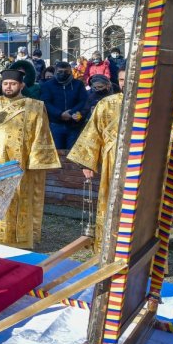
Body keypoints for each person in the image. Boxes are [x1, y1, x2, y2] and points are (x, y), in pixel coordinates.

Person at [0, 69, 61, 249]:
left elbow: (42, 133)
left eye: (12, 84)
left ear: (21, 85)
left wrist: (37, 161)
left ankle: (20, 239)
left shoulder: (34, 105)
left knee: (19, 197)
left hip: (20, 162)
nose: (8, 87)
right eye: (5, 84)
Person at [68, 71, 125, 234]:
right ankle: (108, 239)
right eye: (121, 79)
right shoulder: (106, 103)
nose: (125, 83)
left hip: (144, 162)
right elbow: (93, 132)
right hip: (112, 159)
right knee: (111, 199)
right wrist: (86, 162)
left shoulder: (153, 104)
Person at [40, 61, 89, 150]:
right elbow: (46, 103)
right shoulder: (47, 85)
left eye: (66, 72)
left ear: (70, 72)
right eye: (60, 72)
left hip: (74, 124)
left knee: (73, 154)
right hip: (55, 124)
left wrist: (71, 113)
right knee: (57, 154)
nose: (63, 74)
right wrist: (60, 114)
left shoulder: (78, 84)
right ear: (55, 72)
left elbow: (83, 101)